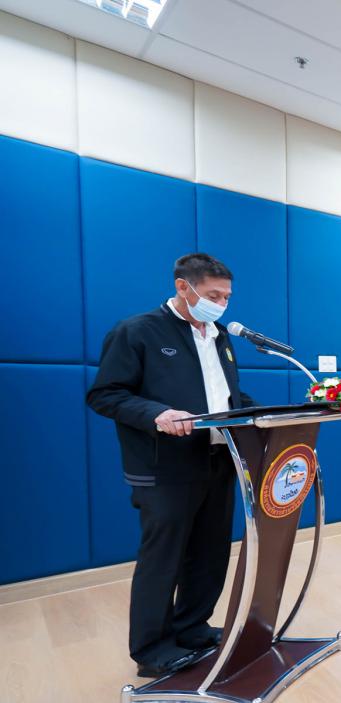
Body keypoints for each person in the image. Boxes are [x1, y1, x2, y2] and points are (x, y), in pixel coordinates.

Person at [86, 253, 257, 678]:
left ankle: (192, 627)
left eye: (227, 297)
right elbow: (105, 394)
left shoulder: (219, 336)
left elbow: (225, 396)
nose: (221, 304)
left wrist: (260, 414)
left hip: (218, 460)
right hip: (165, 467)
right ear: (184, 287)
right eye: (213, 295)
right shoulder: (136, 331)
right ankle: (151, 649)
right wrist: (157, 414)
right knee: (164, 558)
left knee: (210, 552)